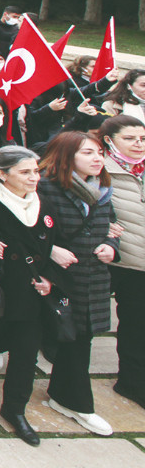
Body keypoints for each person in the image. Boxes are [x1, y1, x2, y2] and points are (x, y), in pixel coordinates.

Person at [36, 131, 119, 436]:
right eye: (88, 153)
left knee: (79, 339)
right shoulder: (46, 188)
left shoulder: (103, 189)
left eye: (99, 152)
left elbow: (111, 225)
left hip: (91, 275)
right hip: (55, 276)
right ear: (66, 156)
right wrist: (51, 249)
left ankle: (71, 401)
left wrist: (112, 246)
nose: (97, 158)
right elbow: (28, 228)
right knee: (30, 334)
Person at [0, 146, 55, 446]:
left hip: (32, 291)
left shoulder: (42, 203)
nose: (34, 177)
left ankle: (15, 408)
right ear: (3, 175)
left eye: (36, 171)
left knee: (26, 352)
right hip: (0, 286)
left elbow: (48, 245)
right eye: (25, 172)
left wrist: (49, 278)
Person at [99, 115, 145, 408]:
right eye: (130, 138)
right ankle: (132, 383)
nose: (138, 144)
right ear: (109, 140)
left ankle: (134, 381)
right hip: (120, 260)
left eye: (142, 139)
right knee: (132, 324)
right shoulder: (102, 169)